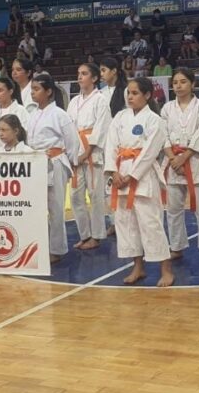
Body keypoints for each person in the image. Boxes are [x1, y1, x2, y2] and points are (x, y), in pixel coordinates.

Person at [105, 77, 172, 286]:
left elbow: (150, 152)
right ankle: (138, 267)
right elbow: (110, 145)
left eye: (135, 93)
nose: (130, 97)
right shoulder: (120, 117)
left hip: (142, 178)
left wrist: (131, 176)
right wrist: (113, 171)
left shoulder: (155, 121)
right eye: (128, 93)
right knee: (126, 224)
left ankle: (166, 269)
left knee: (151, 224)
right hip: (119, 174)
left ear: (147, 95)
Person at [161, 68, 199, 266]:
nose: (178, 85)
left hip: (194, 161)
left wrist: (184, 157)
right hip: (172, 163)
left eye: (183, 81)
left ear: (192, 84)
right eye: (175, 82)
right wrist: (171, 158)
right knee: (173, 209)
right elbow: (163, 135)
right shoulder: (167, 108)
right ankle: (176, 246)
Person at [26, 74, 80, 264]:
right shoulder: (32, 114)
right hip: (35, 163)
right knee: (37, 208)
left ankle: (57, 249)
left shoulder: (59, 114)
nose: (33, 93)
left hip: (55, 162)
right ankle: (39, 244)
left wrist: (71, 163)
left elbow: (73, 141)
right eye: (32, 89)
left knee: (55, 207)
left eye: (37, 89)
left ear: (48, 92)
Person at [67, 64, 111, 251]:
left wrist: (87, 152)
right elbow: (67, 129)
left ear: (94, 79)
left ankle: (97, 235)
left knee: (95, 196)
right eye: (78, 74)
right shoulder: (73, 102)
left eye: (84, 74)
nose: (80, 77)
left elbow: (102, 128)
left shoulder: (100, 100)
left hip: (93, 153)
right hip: (76, 152)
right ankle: (85, 235)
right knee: (76, 196)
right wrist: (71, 152)